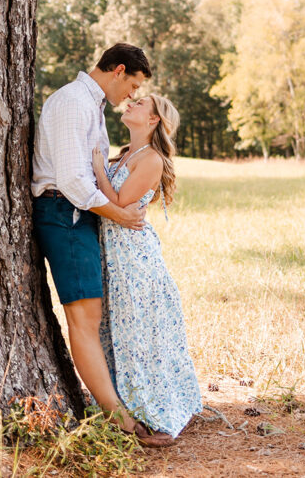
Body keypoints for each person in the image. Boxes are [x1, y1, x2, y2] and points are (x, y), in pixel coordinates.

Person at [31, 43, 174, 448]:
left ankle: (121, 406)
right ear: (119, 70)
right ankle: (121, 421)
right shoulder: (74, 102)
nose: (132, 95)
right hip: (65, 215)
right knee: (84, 322)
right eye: (134, 85)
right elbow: (75, 182)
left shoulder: (91, 106)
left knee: (93, 322)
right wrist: (121, 215)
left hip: (78, 216)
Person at [92, 94, 202, 439]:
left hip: (132, 254)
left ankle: (149, 406)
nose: (131, 104)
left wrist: (97, 170)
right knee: (115, 328)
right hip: (111, 249)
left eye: (140, 104)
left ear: (153, 120)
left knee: (135, 329)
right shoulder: (128, 153)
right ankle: (120, 402)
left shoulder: (152, 159)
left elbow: (120, 204)